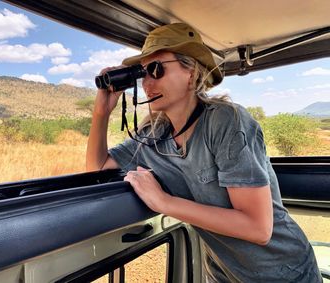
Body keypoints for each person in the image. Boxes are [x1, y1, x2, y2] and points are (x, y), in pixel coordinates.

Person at [86, 23, 322, 282]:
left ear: (191, 72)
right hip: (224, 274)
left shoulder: (226, 122)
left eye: (156, 69)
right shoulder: (155, 136)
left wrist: (164, 202)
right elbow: (96, 169)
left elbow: (259, 227)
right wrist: (102, 112)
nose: (147, 83)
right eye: (143, 74)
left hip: (284, 273)